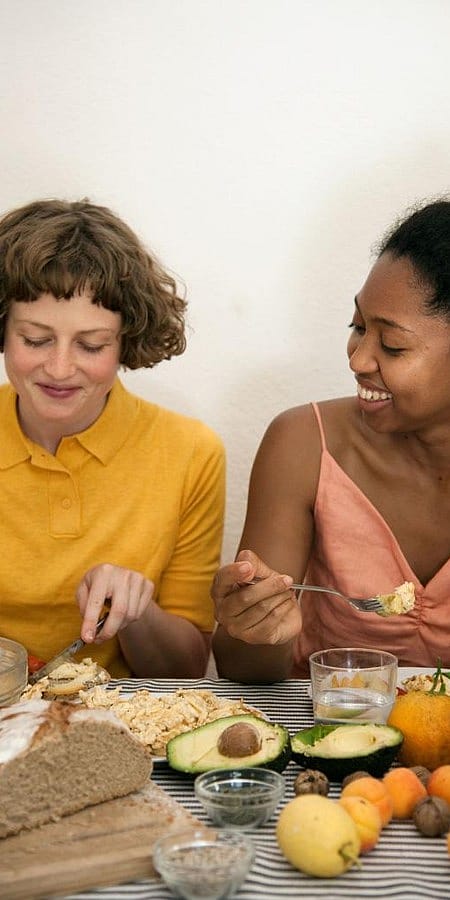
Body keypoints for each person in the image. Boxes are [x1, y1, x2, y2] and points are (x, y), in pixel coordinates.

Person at [212, 198, 450, 683]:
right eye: (357, 327)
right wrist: (253, 627)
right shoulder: (301, 444)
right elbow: (243, 672)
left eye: (392, 344)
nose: (358, 360)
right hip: (321, 739)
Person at [0, 198, 225, 678]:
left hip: (117, 727)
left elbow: (184, 670)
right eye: (35, 340)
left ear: (126, 339)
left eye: (91, 345)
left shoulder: (191, 453)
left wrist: (138, 614)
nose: (60, 368)